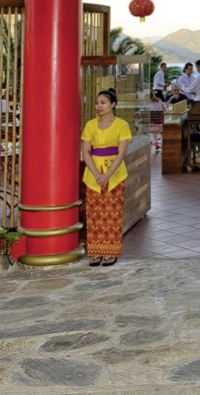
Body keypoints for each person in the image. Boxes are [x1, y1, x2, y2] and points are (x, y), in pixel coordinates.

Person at [81, 88, 132, 266]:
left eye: (103, 103)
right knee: (94, 213)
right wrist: (96, 174)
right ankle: (95, 252)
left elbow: (121, 153)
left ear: (113, 105)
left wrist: (108, 175)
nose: (99, 106)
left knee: (112, 214)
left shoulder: (122, 125)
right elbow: (86, 151)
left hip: (115, 174)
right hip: (93, 175)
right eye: (97, 103)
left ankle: (111, 251)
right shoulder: (90, 125)